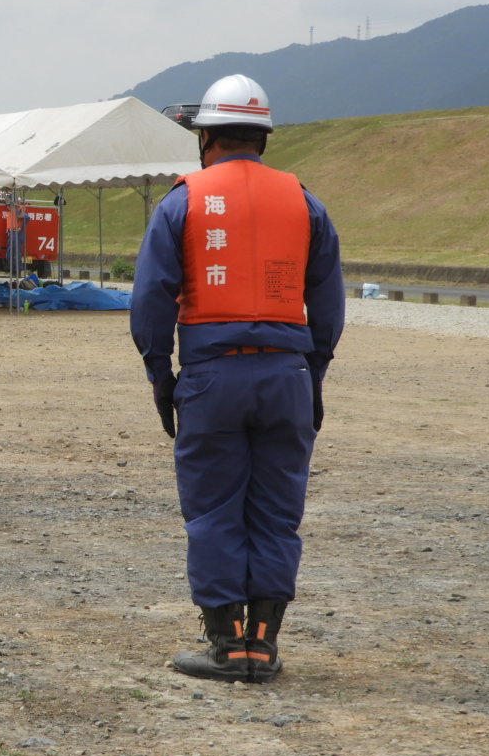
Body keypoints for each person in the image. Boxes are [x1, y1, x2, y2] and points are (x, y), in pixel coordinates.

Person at [130, 74, 344, 684]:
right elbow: (326, 303)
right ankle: (264, 643)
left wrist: (158, 375)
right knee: (277, 510)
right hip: (287, 376)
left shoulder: (182, 201)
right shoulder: (305, 202)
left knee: (215, 508)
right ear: (263, 140)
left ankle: (224, 644)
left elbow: (151, 300)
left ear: (206, 139)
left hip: (212, 376)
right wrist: (315, 374)